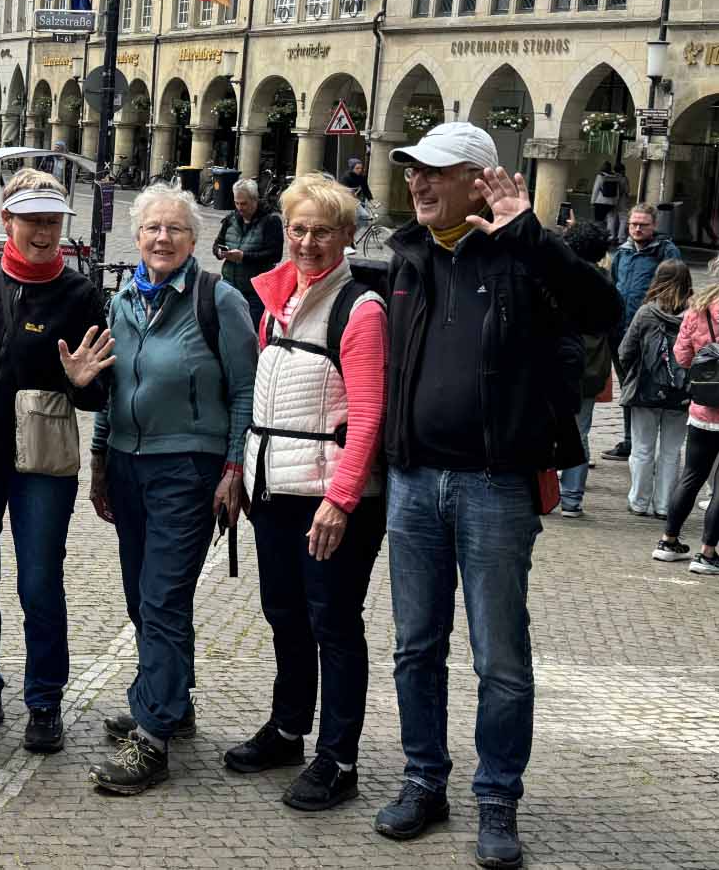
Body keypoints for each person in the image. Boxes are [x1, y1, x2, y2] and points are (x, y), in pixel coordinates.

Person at [374, 122, 620, 869]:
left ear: (481, 180)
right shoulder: (409, 256)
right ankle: (424, 779)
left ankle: (497, 797)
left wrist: (534, 238)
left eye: (436, 172)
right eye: (413, 169)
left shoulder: (523, 256)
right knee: (416, 647)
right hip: (414, 484)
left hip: (493, 487)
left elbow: (602, 313)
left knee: (499, 658)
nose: (418, 182)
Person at [88, 181, 257, 794]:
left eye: (175, 230)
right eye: (152, 229)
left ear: (194, 239)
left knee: (161, 597)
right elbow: (109, 383)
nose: (163, 238)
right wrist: (100, 456)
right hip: (129, 466)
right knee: (142, 597)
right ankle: (172, 701)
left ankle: (153, 737)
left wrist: (235, 468)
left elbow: (244, 389)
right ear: (136, 238)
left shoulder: (221, 300)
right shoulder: (124, 298)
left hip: (188, 468)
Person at [227, 173, 386, 812]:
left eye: (323, 231)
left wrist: (341, 499)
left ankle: (339, 758)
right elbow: (264, 396)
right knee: (285, 615)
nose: (309, 242)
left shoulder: (361, 309)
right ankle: (289, 727)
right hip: (275, 486)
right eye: (298, 229)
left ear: (347, 236)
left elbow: (369, 413)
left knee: (334, 624)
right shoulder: (276, 299)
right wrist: (241, 471)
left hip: (329, 498)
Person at [0, 169, 112, 754]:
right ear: (6, 221)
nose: (43, 230)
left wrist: (84, 385)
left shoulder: (81, 293)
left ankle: (44, 700)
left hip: (40, 461)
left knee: (39, 581)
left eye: (52, 219)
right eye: (31, 218)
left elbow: (95, 390)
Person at [652, 259, 719, 575]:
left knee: (691, 474)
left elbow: (681, 357)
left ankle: (669, 540)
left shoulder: (698, 309)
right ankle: (707, 553)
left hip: (702, 409)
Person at [603, 204, 683, 461]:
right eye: (633, 224)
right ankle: (629, 441)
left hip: (652, 333)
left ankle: (645, 445)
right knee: (628, 386)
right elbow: (614, 286)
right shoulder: (622, 253)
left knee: (651, 388)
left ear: (654, 226)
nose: (637, 228)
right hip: (621, 332)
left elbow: (676, 288)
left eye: (643, 224)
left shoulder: (666, 251)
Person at [619, 259, 691, 519]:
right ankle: (664, 505)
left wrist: (634, 375)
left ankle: (639, 501)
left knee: (642, 447)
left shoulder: (647, 312)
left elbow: (625, 351)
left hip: (645, 391)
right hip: (682, 393)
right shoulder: (695, 314)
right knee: (672, 450)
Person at [557, 221, 617, 518]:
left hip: (559, 364)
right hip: (592, 366)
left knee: (546, 427)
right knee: (579, 432)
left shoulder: (562, 279)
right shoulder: (605, 282)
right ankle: (571, 498)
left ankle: (545, 494)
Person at [213, 178, 285, 329]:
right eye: (237, 203)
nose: (240, 207)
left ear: (255, 200)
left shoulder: (271, 221)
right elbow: (217, 243)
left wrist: (244, 257)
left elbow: (275, 255)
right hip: (230, 285)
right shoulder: (231, 219)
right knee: (225, 328)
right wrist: (220, 252)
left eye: (244, 203)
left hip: (255, 290)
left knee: (250, 331)